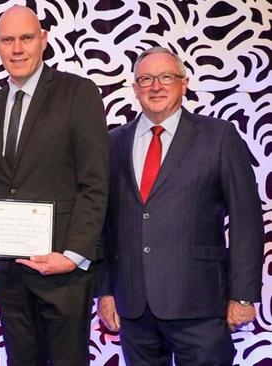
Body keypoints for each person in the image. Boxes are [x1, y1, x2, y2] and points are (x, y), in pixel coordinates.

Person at [97, 46, 264, 365]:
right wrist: (105, 291)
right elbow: (104, 225)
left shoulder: (219, 136)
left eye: (165, 77)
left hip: (200, 305)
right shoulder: (112, 142)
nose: (155, 86)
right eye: (145, 79)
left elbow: (246, 220)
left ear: (184, 83)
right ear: (135, 89)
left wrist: (243, 295)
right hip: (134, 308)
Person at [0, 5, 109, 365]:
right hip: (10, 273)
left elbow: (95, 182)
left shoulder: (78, 93)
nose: (17, 48)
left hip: (63, 272)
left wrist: (73, 256)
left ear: (44, 41)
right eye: (8, 40)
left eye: (26, 38)